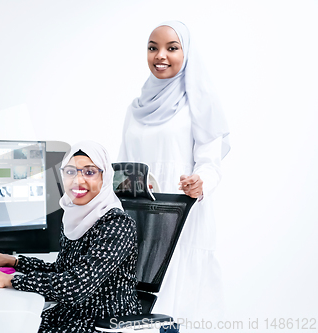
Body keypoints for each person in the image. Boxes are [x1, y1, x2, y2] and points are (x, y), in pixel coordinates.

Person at [0, 141, 142, 333]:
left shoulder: (116, 224)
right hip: (72, 314)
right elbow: (62, 270)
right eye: (71, 172)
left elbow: (76, 286)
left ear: (105, 177)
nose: (78, 181)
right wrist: (14, 262)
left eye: (89, 172)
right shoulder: (75, 215)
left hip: (104, 322)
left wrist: (10, 281)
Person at [118, 21, 230, 321]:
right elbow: (124, 166)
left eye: (172, 47)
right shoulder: (135, 107)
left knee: (183, 306)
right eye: (153, 48)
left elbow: (210, 161)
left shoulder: (198, 103)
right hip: (140, 221)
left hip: (183, 214)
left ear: (187, 52)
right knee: (141, 308)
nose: (160, 55)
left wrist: (200, 182)